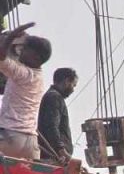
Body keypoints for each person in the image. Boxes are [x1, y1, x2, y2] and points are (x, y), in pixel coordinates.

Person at [0, 23, 51, 161]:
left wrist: (11, 35)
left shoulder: (23, 74)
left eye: (24, 49)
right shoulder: (39, 77)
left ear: (35, 57)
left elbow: (1, 57)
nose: (20, 52)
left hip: (10, 137)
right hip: (31, 144)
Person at [38, 66, 76, 163]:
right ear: (67, 81)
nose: (73, 90)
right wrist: (61, 150)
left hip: (54, 155)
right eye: (73, 85)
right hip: (54, 157)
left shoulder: (51, 96)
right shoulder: (54, 97)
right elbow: (51, 126)